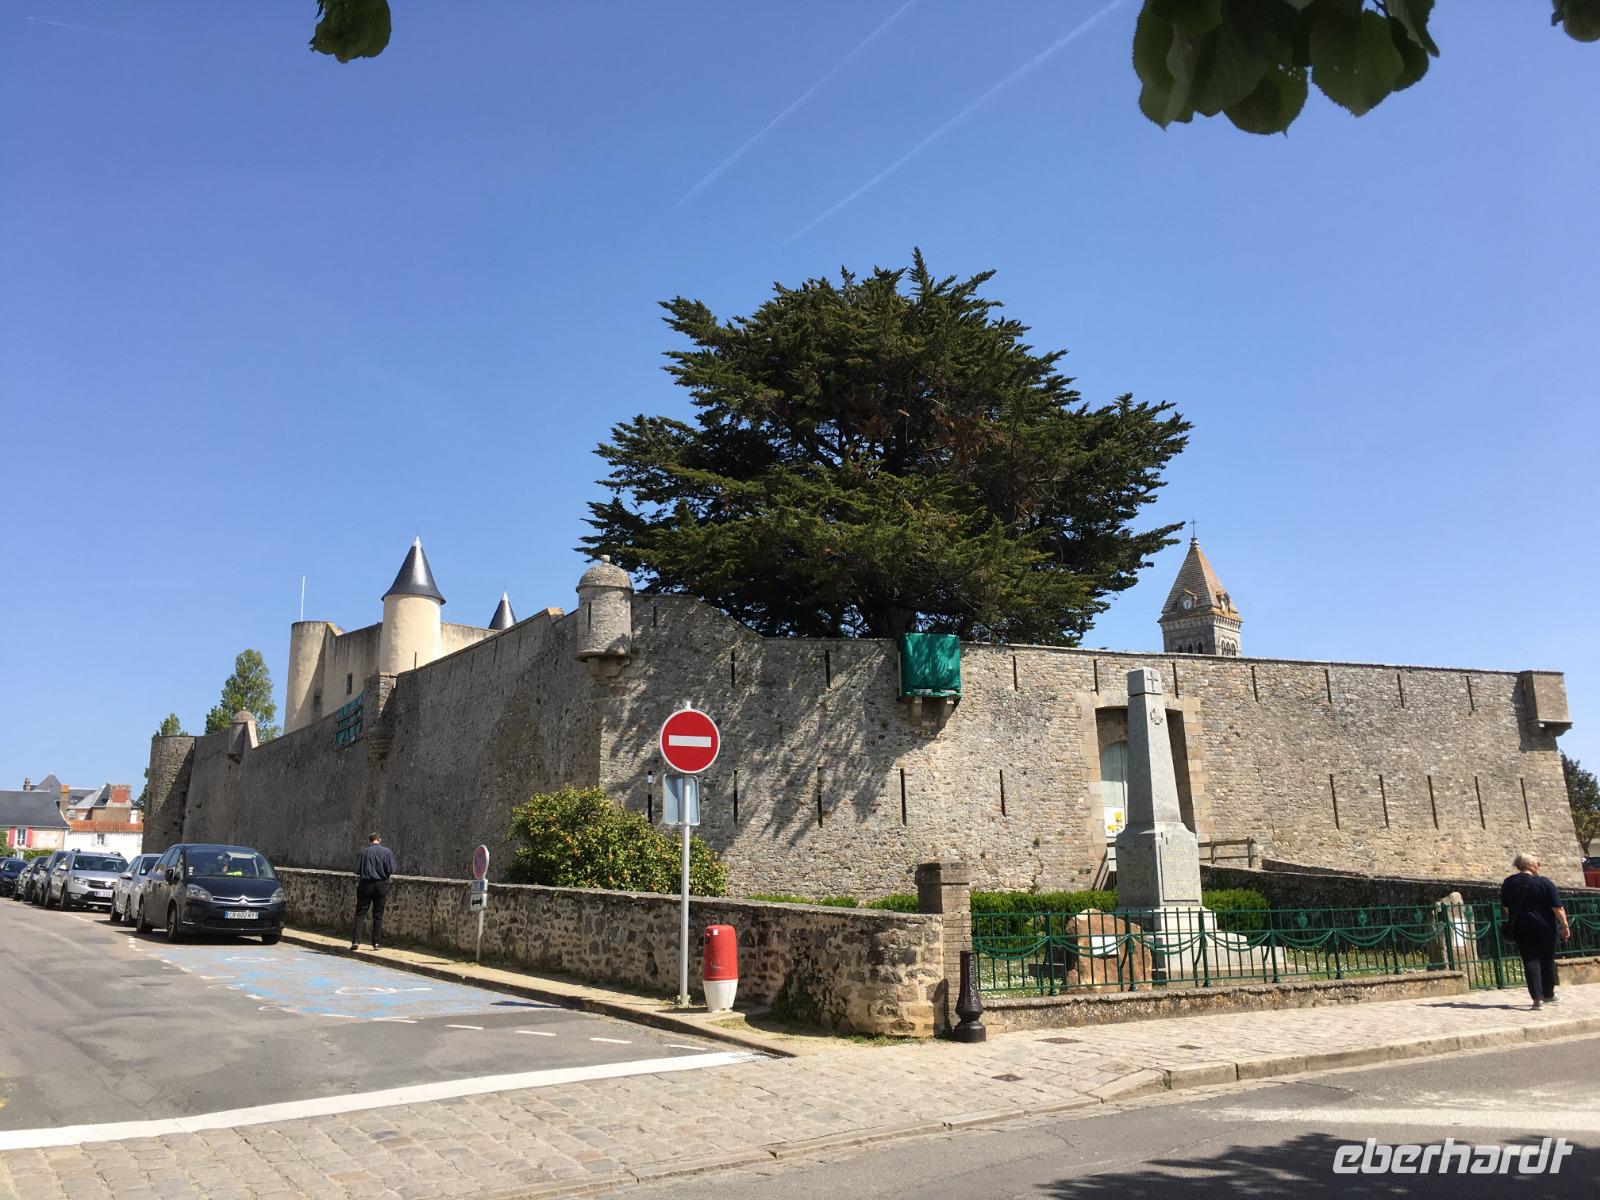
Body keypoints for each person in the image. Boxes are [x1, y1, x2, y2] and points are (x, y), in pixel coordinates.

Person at [1500, 852, 1570, 1010]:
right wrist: (1565, 926)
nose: (1539, 866)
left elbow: (1506, 907)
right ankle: (1549, 994)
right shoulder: (1544, 883)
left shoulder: (1509, 882)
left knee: (1530, 961)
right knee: (1547, 961)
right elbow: (1557, 907)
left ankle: (1537, 999)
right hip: (1545, 927)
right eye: (1538, 863)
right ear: (1530, 865)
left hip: (1521, 927)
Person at [351, 832, 397, 951]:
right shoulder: (387, 852)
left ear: (370, 840)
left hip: (365, 884)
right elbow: (391, 869)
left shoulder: (363, 852)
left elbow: (356, 870)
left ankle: (355, 941)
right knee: (378, 914)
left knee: (360, 913)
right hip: (380, 884)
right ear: (379, 839)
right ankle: (376, 943)